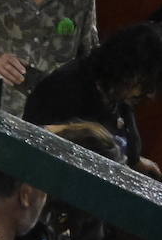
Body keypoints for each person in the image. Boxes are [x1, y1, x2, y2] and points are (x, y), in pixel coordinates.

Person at [25, 22, 162, 176]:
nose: (147, 95)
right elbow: (35, 140)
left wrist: (134, 160)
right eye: (143, 83)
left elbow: (118, 143)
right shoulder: (67, 87)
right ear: (126, 69)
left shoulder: (117, 96)